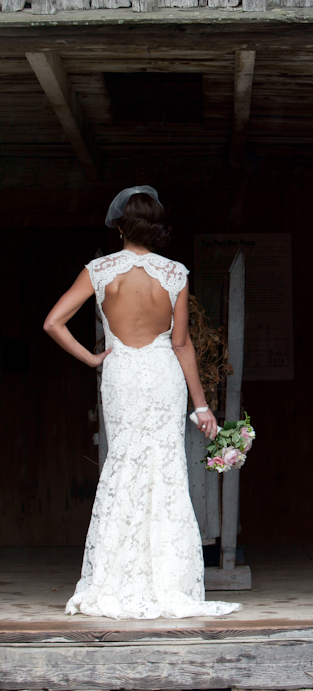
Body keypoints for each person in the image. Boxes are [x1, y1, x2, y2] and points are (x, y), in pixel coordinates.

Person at [43, 186, 241, 619]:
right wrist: (201, 406)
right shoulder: (174, 274)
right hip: (162, 376)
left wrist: (93, 358)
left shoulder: (99, 270)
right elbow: (182, 343)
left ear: (119, 227)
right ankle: (167, 579)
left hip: (122, 376)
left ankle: (117, 578)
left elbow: (53, 322)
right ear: (155, 228)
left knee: (123, 466)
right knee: (165, 469)